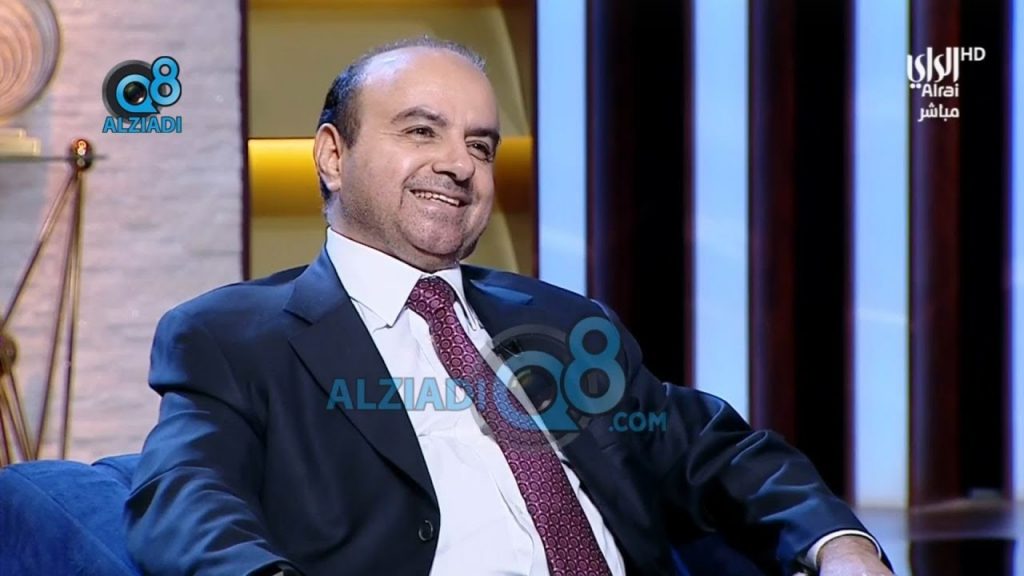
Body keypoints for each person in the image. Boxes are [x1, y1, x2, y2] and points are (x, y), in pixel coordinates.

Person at [124, 37, 894, 576]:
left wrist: (841, 546)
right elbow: (186, 500)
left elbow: (717, 450)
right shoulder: (233, 337)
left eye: (481, 146)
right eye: (421, 130)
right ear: (333, 154)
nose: (458, 164)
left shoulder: (562, 321)